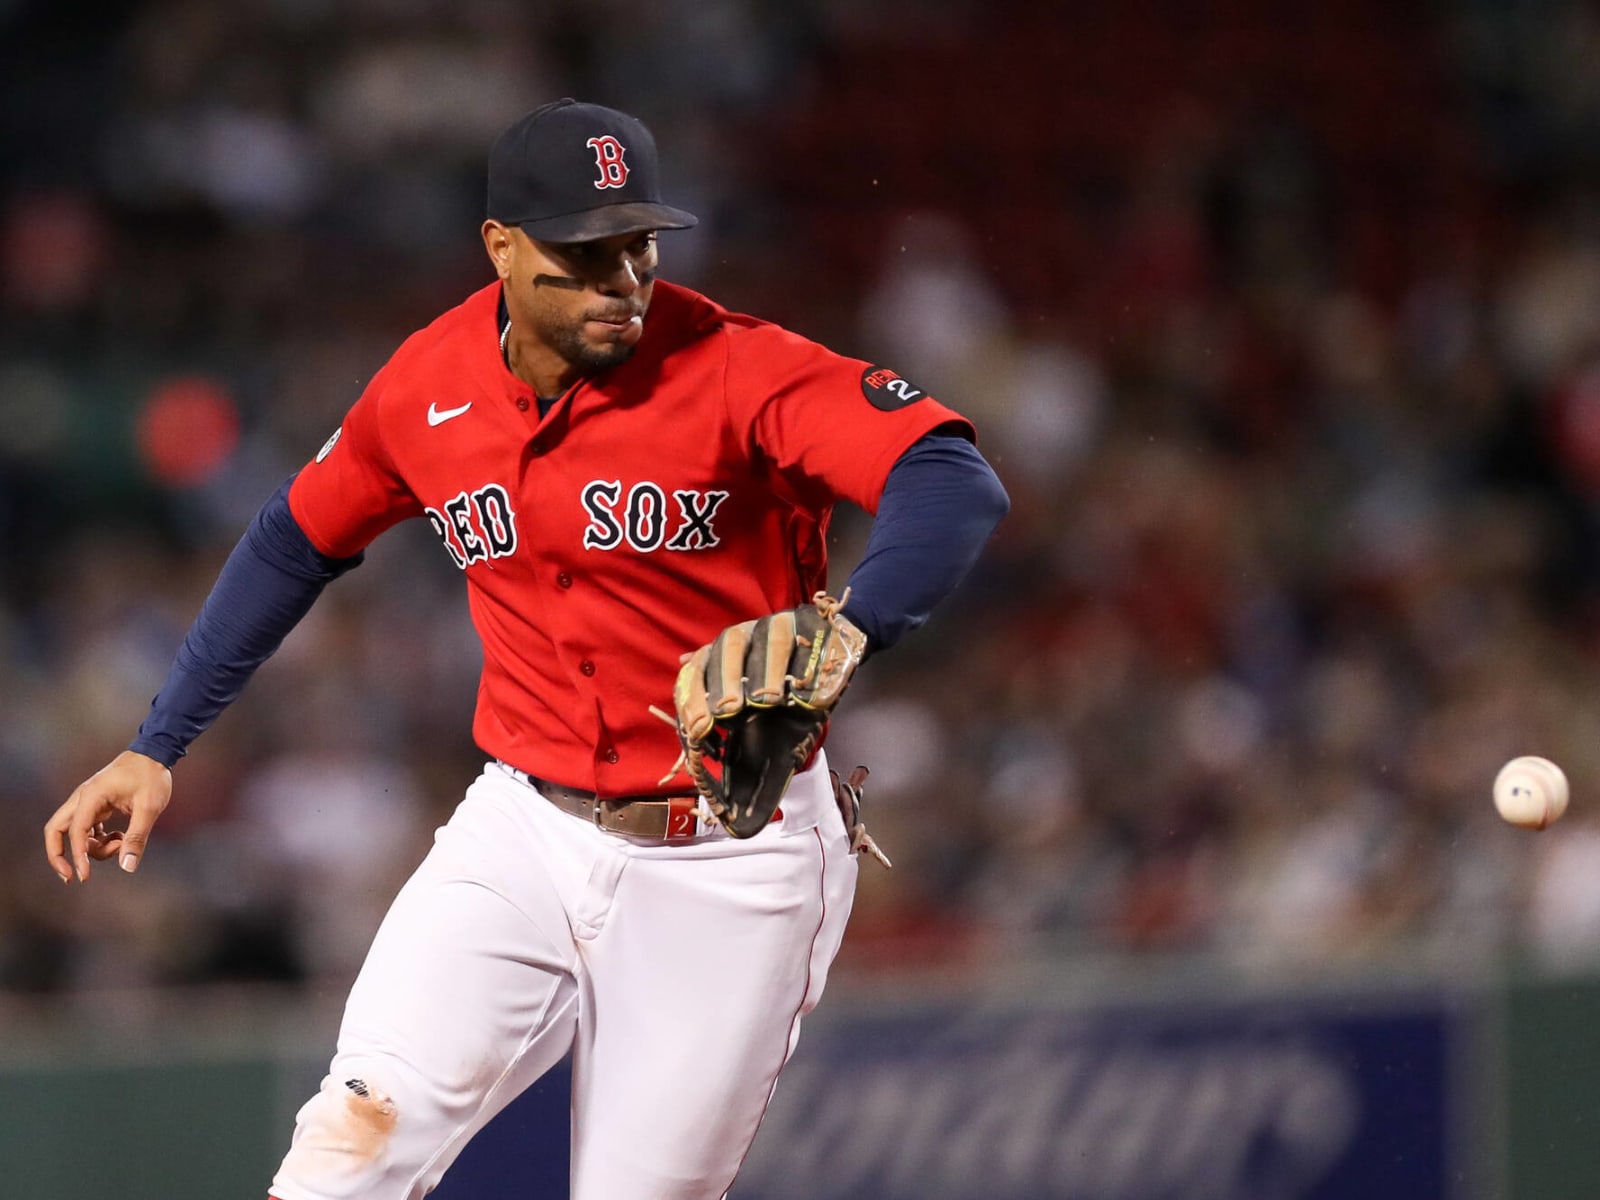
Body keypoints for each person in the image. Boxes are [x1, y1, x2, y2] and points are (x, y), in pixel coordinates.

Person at [44, 98, 1008, 1200]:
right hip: (521, 831)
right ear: (499, 247)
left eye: (637, 245)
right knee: (344, 1151)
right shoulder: (427, 384)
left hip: (730, 854)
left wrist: (853, 626)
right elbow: (290, 541)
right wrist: (157, 742)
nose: (620, 278)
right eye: (582, 252)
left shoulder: (739, 369)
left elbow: (948, 478)